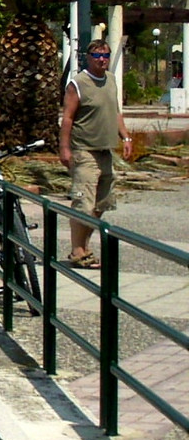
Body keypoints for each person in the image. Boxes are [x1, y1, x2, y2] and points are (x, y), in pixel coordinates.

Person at [59, 39, 132, 268]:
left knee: (101, 204)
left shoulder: (111, 80)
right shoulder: (78, 83)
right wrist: (64, 148)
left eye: (105, 55)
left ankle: (85, 246)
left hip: (105, 151)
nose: (102, 60)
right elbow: (68, 118)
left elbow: (116, 112)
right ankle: (77, 251)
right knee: (83, 203)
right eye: (97, 55)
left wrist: (126, 137)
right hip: (85, 151)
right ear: (88, 58)